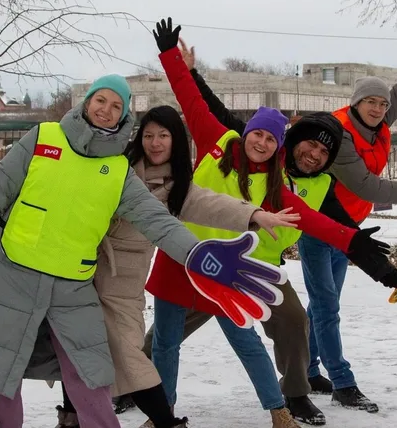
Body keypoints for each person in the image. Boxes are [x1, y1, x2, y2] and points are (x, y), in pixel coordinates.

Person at [0, 74, 281, 428]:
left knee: (89, 372)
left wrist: (199, 255)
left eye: (116, 105)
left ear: (123, 117)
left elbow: (159, 222)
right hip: (11, 272)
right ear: (87, 101)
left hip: (73, 284)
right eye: (101, 100)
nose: (106, 109)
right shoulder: (43, 137)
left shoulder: (118, 171)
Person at [150, 39, 397, 425]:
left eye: (323, 153)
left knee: (294, 321)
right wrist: (179, 64)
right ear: (290, 145)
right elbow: (200, 105)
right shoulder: (234, 146)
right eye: (309, 146)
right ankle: (140, 387)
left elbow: (332, 228)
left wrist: (387, 271)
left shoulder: (304, 187)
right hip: (195, 259)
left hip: (252, 270)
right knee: (161, 339)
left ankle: (294, 396)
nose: (313, 155)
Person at [54, 105, 301, 428]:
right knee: (158, 343)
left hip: (218, 264)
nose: (156, 142)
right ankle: (158, 415)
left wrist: (254, 215)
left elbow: (205, 203)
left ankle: (277, 410)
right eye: (149, 135)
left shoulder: (263, 180)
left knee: (245, 340)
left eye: (164, 135)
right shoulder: (209, 152)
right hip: (162, 265)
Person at [294, 1, 397, 413]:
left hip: (350, 232)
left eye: (383, 104)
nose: (379, 107)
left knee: (321, 304)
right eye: (371, 101)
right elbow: (366, 185)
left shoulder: (382, 122)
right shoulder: (340, 134)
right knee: (327, 306)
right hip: (321, 226)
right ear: (355, 102)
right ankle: (342, 382)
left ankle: (307, 368)